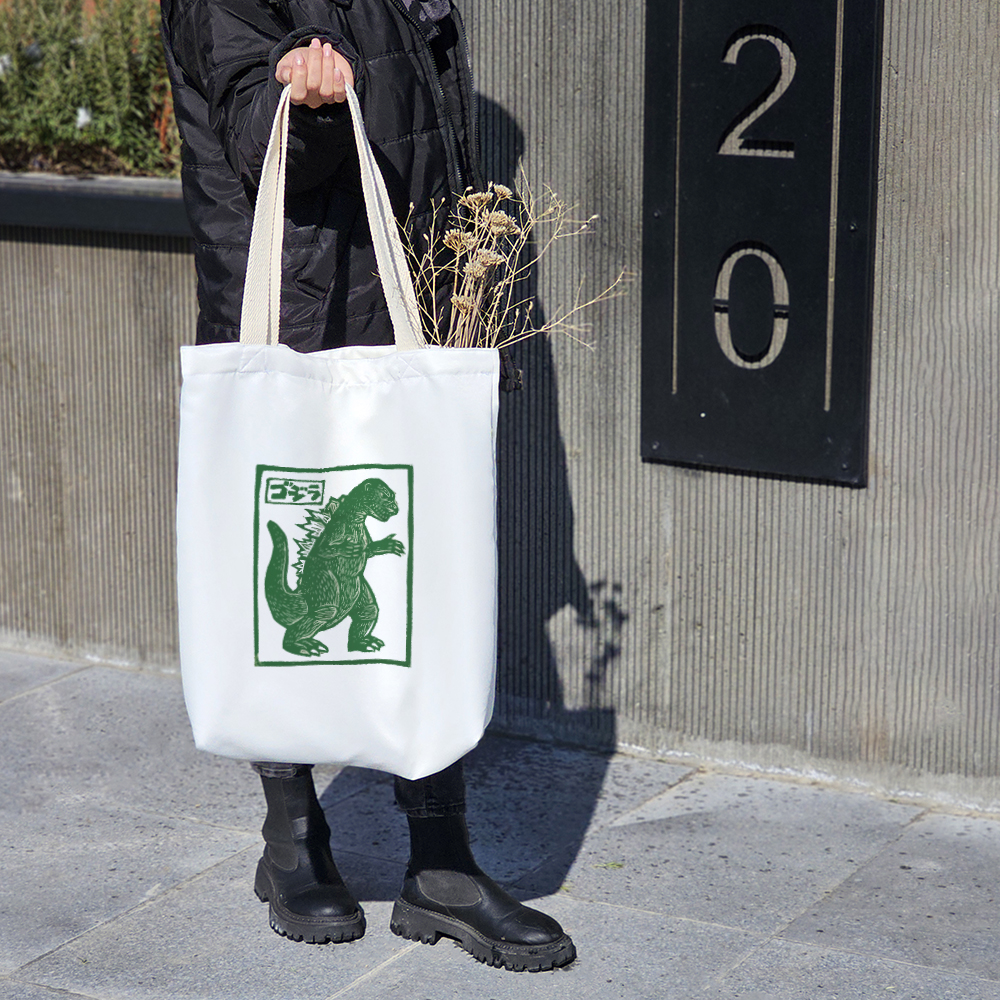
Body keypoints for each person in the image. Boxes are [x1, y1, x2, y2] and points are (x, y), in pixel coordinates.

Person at [159, 0, 574, 973]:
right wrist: (301, 106)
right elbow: (254, 135)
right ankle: (293, 837)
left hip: (401, 299)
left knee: (421, 580)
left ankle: (442, 861)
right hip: (298, 303)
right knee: (285, 578)